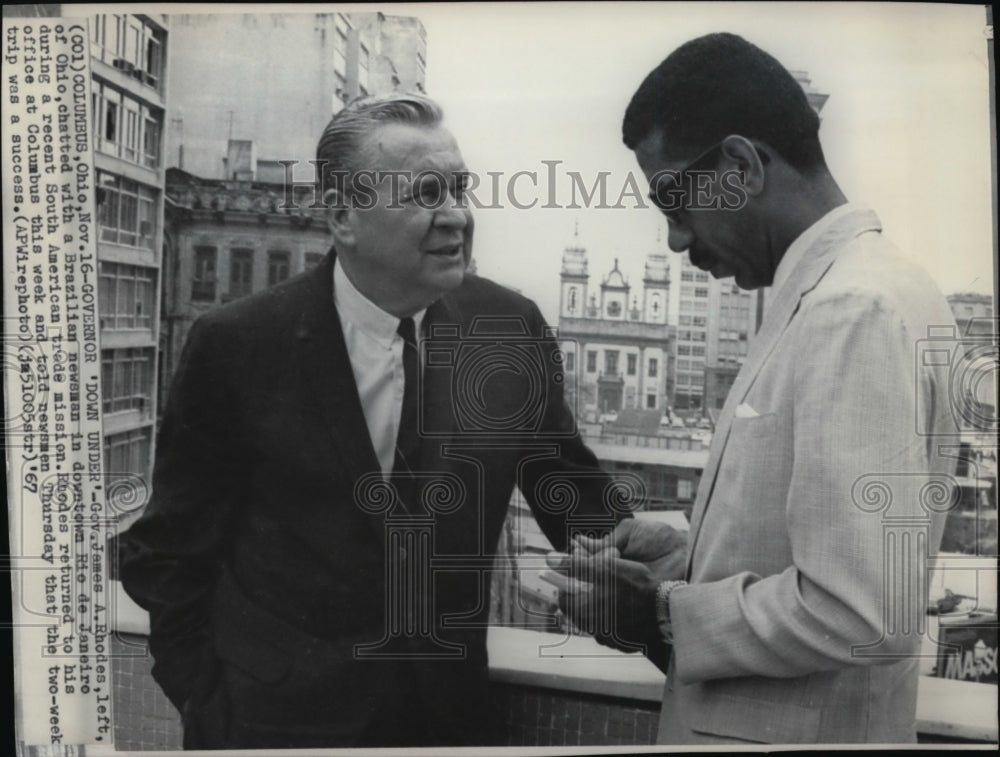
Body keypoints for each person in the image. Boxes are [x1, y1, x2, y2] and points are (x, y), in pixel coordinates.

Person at [119, 93, 621, 749]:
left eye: (461, 190)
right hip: (273, 728)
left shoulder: (508, 331)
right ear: (342, 216)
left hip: (447, 725)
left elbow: (580, 506)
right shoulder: (238, 345)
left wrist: (688, 586)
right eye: (427, 193)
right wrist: (210, 705)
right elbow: (166, 555)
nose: (458, 217)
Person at [549, 32, 961, 744]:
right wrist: (687, 555)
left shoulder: (851, 308)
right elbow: (830, 558)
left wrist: (662, 614)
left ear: (740, 164)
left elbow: (860, 612)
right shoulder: (846, 291)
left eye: (676, 203)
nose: (676, 240)